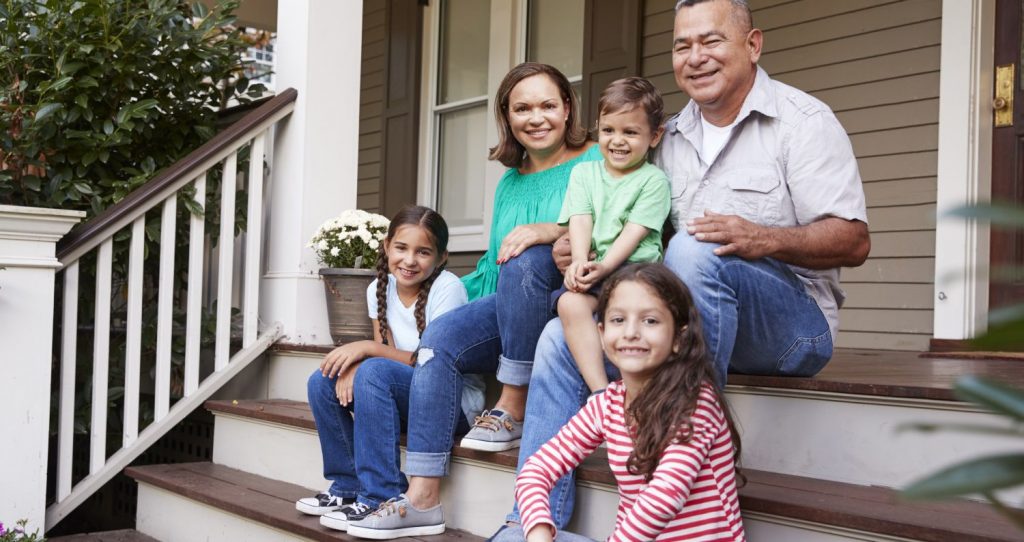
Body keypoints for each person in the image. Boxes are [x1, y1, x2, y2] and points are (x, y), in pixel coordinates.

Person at [499, 0, 870, 532]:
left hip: (792, 329)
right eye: (682, 45)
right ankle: (530, 524)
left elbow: (854, 241)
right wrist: (578, 249)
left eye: (711, 41)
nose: (695, 57)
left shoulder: (802, 122)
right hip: (694, 320)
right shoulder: (664, 137)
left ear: (753, 44)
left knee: (696, 252)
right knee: (561, 334)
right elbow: (644, 239)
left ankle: (686, 454)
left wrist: (760, 238)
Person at [344, 63, 601, 538]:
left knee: (528, 261)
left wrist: (551, 231)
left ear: (568, 108)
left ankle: (513, 404)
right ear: (507, 116)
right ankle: (422, 497)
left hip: (575, 296)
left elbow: (621, 229)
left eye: (548, 105)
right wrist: (459, 311)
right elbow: (492, 262)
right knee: (441, 340)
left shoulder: (597, 160)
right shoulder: (510, 182)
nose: (536, 117)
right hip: (514, 299)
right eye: (522, 108)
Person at [498, 264, 744, 542]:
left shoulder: (696, 402)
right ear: (600, 334)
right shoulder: (608, 403)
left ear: (679, 337)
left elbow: (664, 498)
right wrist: (539, 533)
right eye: (618, 320)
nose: (631, 332)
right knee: (514, 537)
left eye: (650, 321)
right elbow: (536, 469)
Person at [297, 205, 482, 535]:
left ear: (440, 258)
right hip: (410, 395)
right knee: (322, 380)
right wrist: (360, 362)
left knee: (373, 372)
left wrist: (367, 352)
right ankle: (347, 485)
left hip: (451, 404)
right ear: (386, 247)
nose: (410, 260)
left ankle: (380, 494)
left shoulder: (447, 289)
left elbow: (433, 363)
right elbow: (387, 353)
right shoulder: (377, 289)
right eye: (401, 248)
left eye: (423, 252)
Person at [556, 77, 670, 395]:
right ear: (598, 128)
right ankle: (601, 394)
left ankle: (639, 389)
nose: (617, 141)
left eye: (630, 132)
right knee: (568, 303)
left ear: (655, 135)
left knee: (627, 315)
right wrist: (579, 262)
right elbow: (580, 219)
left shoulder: (653, 181)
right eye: (608, 130)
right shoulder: (584, 173)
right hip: (597, 269)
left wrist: (605, 267)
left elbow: (634, 232)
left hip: (634, 271)